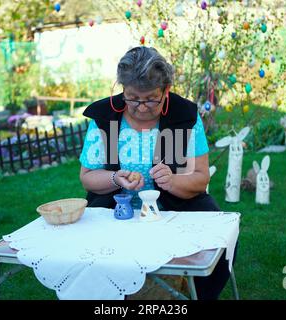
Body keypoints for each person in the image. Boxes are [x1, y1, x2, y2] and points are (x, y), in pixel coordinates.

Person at [79, 46, 237, 300]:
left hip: (176, 209)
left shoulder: (182, 115)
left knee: (220, 242)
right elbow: (87, 175)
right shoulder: (106, 117)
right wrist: (114, 178)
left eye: (151, 98)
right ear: (123, 90)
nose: (141, 107)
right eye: (132, 98)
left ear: (166, 90)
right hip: (115, 210)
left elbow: (200, 177)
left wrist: (173, 181)